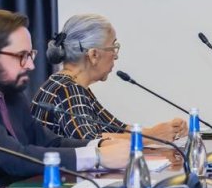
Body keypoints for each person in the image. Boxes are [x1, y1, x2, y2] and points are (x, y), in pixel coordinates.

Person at [0, 9, 128, 188]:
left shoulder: (12, 96)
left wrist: (99, 144)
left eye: (30, 55)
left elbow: (50, 141)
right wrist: (97, 157)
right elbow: (15, 158)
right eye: (22, 56)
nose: (31, 65)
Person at [30, 14, 186, 142]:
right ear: (94, 55)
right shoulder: (67, 90)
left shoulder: (70, 85)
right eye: (113, 47)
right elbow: (92, 143)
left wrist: (166, 131)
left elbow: (117, 129)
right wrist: (152, 136)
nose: (116, 56)